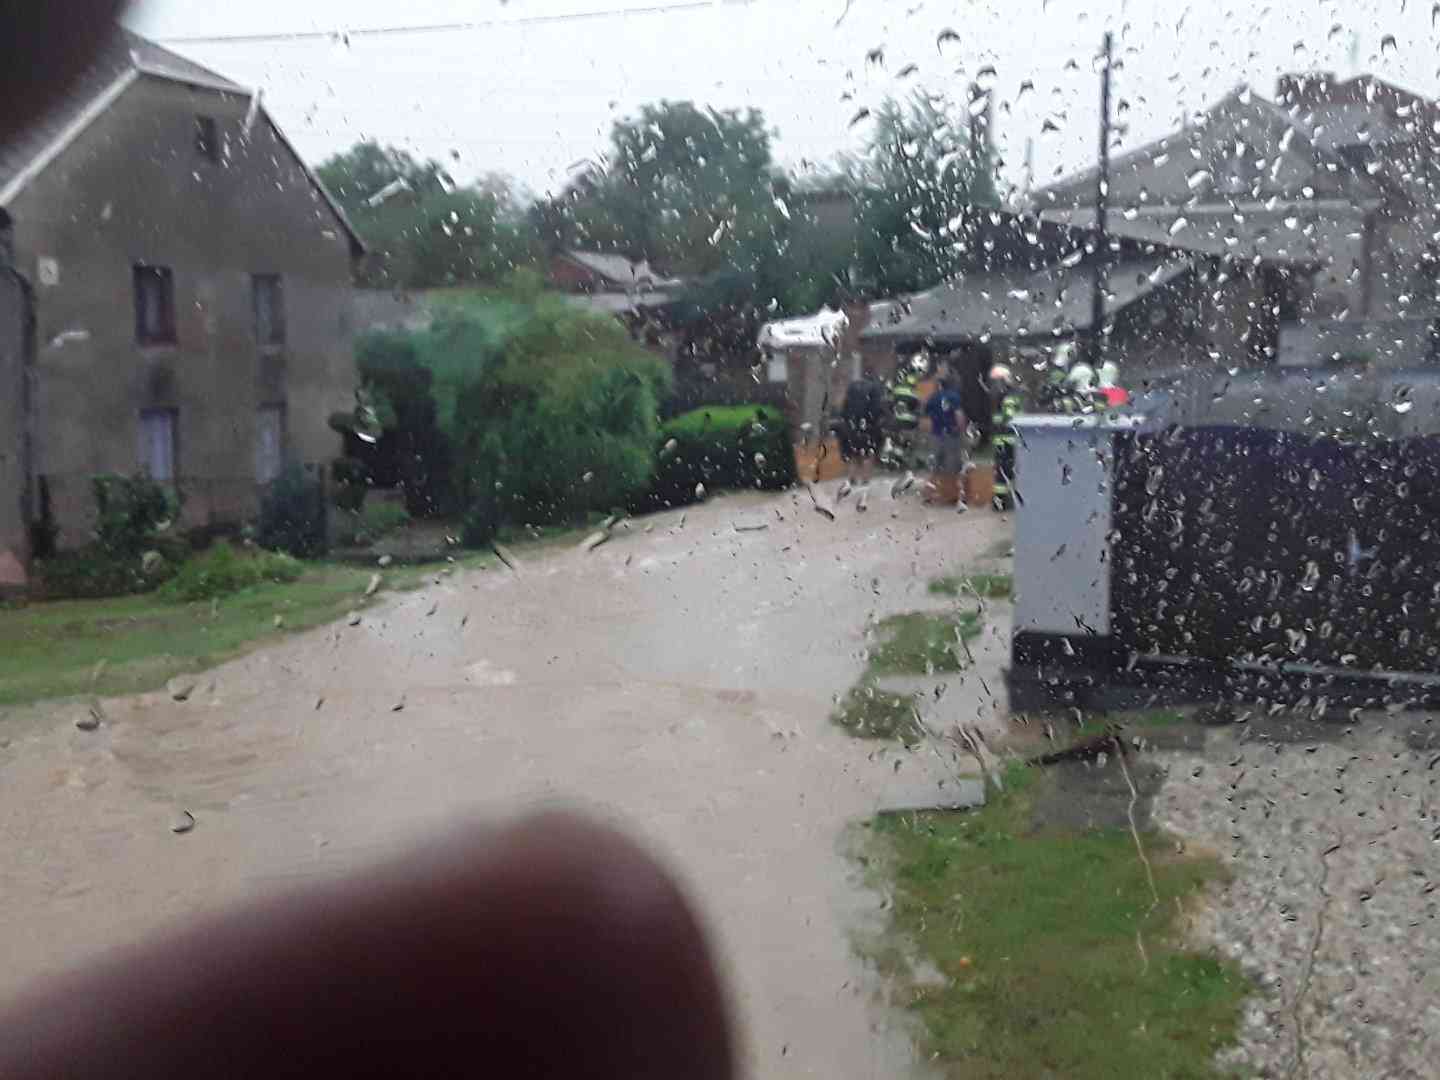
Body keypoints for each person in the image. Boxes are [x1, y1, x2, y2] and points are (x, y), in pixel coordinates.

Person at [838, 367, 888, 508]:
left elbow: (844, 407)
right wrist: (880, 422)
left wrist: (847, 421)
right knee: (868, 453)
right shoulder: (876, 389)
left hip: (852, 425)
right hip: (870, 426)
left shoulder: (852, 387)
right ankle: (865, 480)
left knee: (854, 453)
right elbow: (878, 409)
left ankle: (852, 479)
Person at [923, 363, 969, 512]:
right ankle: (952, 497)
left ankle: (928, 496)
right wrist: (962, 431)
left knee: (934, 467)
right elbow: (959, 416)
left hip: (936, 435)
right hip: (951, 435)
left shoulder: (934, 397)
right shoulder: (954, 396)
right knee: (953, 467)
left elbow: (926, 414)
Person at [989, 364, 1023, 511]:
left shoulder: (995, 396)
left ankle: (999, 501)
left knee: (1001, 472)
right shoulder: (1009, 395)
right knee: (1008, 471)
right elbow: (1010, 416)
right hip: (1010, 440)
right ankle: (1004, 502)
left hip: (999, 439)